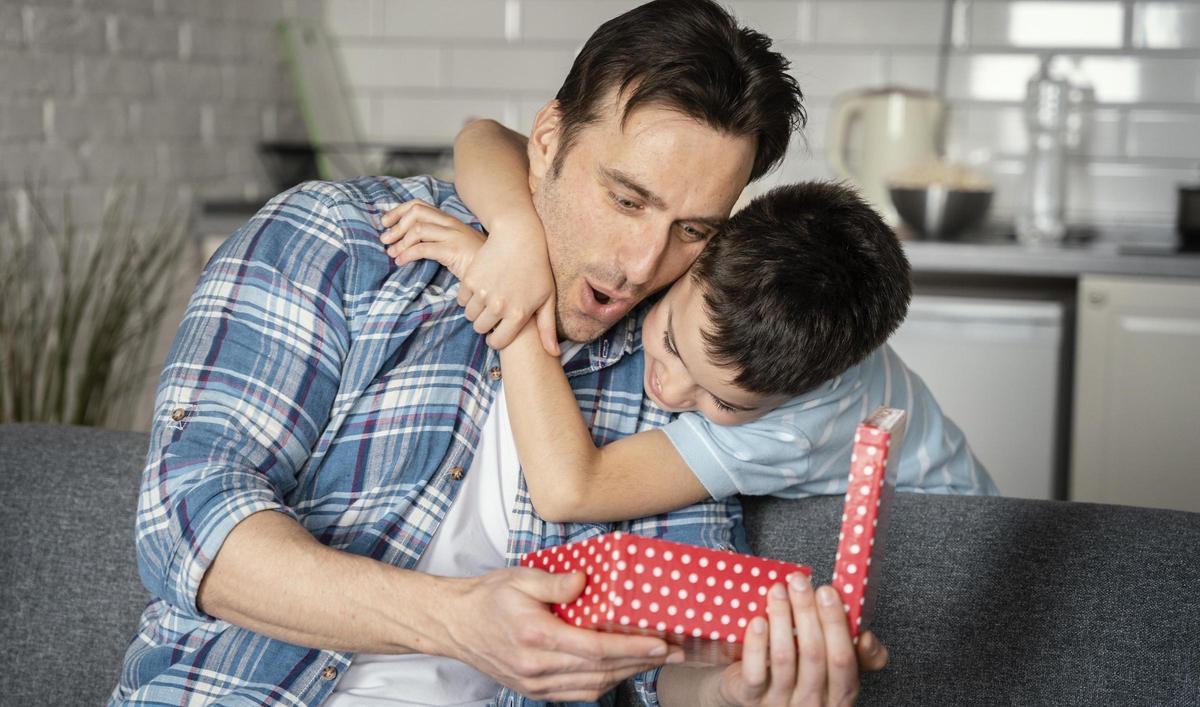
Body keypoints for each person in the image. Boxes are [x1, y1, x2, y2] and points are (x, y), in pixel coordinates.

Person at [109, 2, 886, 705]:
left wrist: (735, 689)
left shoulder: (677, 362)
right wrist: (454, 621)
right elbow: (191, 524)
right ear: (546, 140)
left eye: (694, 229)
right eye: (626, 198)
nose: (643, 262)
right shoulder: (341, 243)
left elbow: (656, 664)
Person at [380, 134, 996, 527]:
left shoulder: (794, 429)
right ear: (707, 246)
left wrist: (504, 301)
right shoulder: (715, 255)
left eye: (723, 401)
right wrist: (513, 235)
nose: (670, 392)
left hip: (938, 539)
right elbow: (484, 136)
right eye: (673, 341)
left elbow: (570, 491)